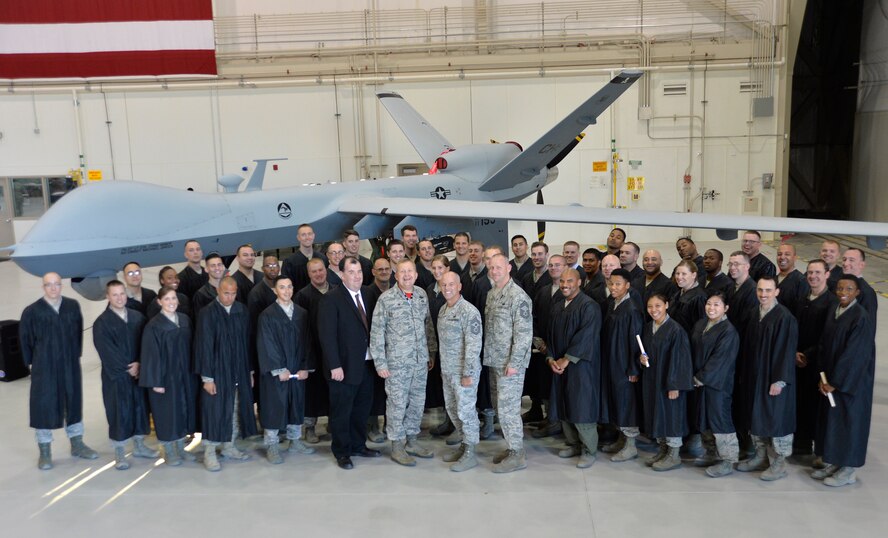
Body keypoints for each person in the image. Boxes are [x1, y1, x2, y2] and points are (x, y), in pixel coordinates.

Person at [21, 272, 97, 470]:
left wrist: (74, 356)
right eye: (49, 285)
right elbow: (25, 340)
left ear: (61, 285)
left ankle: (77, 444)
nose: (53, 288)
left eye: (56, 284)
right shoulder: (32, 311)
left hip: (69, 364)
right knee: (43, 406)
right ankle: (45, 451)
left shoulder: (72, 306)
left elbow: (78, 334)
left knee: (73, 402)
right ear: (43, 287)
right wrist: (33, 364)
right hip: (43, 367)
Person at [370, 259, 438, 466]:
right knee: (397, 404)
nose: (407, 275)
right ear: (395, 275)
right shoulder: (386, 299)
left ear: (416, 275)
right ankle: (397, 445)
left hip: (420, 361)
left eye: (410, 271)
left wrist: (431, 352)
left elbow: (428, 326)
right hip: (396, 364)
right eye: (402, 272)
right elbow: (377, 332)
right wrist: (380, 363)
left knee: (417, 402)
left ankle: (412, 441)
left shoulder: (421, 295)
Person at [318, 257, 381, 469]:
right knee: (341, 412)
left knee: (361, 409)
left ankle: (358, 445)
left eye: (359, 272)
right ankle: (342, 452)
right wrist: (334, 365)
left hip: (366, 363)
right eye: (351, 272)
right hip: (342, 368)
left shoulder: (369, 293)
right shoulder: (331, 299)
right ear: (342, 275)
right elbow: (327, 336)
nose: (356, 276)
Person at [813, 275, 876, 487]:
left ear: (857, 292)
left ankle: (848, 470)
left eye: (849, 289)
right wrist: (822, 376)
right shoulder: (836, 310)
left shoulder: (860, 317)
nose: (843, 292)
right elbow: (824, 343)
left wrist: (837, 382)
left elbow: (855, 355)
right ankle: (835, 462)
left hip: (851, 384)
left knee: (850, 423)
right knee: (833, 423)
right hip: (830, 378)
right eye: (840, 288)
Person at [736, 276, 798, 481]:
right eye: (760, 290)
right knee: (757, 417)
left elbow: (785, 352)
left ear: (776, 292)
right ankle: (760, 456)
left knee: (776, 419)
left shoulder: (784, 318)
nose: (763, 294)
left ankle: (779, 462)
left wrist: (778, 380)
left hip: (773, 381)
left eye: (768, 291)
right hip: (755, 377)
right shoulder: (755, 313)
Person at [194, 277, 257, 471]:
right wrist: (207, 378)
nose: (229, 297)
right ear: (218, 291)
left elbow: (248, 344)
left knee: (235, 409)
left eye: (233, 293)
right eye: (225, 293)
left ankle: (229, 446)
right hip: (217, 372)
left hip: (239, 370)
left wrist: (250, 371)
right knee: (214, 411)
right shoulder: (207, 313)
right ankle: (210, 452)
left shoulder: (242, 311)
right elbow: (203, 346)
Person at [93, 281, 156, 470]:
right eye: (115, 295)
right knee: (119, 413)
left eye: (122, 294)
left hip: (137, 374)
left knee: (139, 409)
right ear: (108, 296)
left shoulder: (138, 317)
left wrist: (139, 363)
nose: (119, 298)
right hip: (116, 377)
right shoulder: (102, 323)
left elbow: (146, 344)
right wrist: (126, 368)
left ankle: (138, 446)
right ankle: (119, 453)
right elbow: (106, 351)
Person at [256, 276, 316, 464]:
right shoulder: (267, 315)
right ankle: (272, 445)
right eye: (282, 287)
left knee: (296, 404)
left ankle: (295, 440)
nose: (287, 291)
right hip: (278, 373)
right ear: (275, 290)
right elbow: (267, 344)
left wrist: (306, 367)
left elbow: (308, 342)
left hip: (297, 368)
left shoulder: (302, 313)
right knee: (275, 407)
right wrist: (278, 368)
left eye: (290, 287)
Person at [548, 268, 602, 469]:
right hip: (559, 366)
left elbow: (587, 336)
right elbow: (551, 334)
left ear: (579, 282)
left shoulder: (589, 306)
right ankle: (573, 443)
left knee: (581, 406)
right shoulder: (557, 306)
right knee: (564, 403)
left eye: (570, 280)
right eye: (562, 281)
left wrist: (567, 359)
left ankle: (589, 450)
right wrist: (551, 358)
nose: (565, 284)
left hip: (581, 368)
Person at [484, 254, 533, 473]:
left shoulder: (518, 296)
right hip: (495, 360)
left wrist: (514, 363)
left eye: (498, 267)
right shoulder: (492, 294)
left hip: (510, 364)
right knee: (499, 408)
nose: (494, 271)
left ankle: (518, 453)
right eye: (491, 267)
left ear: (509, 267)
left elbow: (524, 334)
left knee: (509, 410)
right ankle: (512, 447)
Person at [140, 287, 198, 466]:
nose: (171, 302)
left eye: (173, 298)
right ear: (159, 302)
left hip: (184, 375)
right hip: (165, 378)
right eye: (167, 299)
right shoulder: (154, 326)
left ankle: (181, 448)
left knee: (183, 410)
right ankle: (169, 451)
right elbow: (150, 355)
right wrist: (155, 381)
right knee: (167, 414)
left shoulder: (184, 320)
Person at [639, 293, 693, 472]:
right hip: (652, 381)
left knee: (671, 417)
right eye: (650, 307)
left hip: (669, 383)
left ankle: (674, 455)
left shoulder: (676, 330)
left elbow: (680, 360)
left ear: (667, 305)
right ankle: (663, 450)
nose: (653, 310)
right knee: (658, 416)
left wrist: (674, 385)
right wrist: (641, 358)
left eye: (658, 306)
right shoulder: (648, 328)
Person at [690, 291, 741, 477]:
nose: (711, 308)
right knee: (703, 418)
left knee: (720, 421)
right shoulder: (701, 324)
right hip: (699, 383)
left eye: (717, 305)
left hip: (717, 385)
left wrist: (700, 378)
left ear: (726, 308)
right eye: (709, 304)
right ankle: (711, 452)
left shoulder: (728, 331)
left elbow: (720, 360)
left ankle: (727, 460)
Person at [436, 271, 483, 472]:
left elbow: (473, 346)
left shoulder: (469, 312)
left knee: (466, 412)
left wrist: (467, 374)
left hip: (464, 373)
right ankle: (464, 445)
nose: (447, 288)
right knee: (453, 411)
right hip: (448, 371)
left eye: (451, 284)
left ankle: (471, 452)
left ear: (459, 286)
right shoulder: (443, 310)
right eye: (443, 285)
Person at [794, 260, 838, 457]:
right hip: (797, 361)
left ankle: (819, 451)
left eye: (818, 272)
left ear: (827, 274)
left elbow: (828, 336)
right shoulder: (803, 299)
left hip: (818, 364)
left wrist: (807, 355)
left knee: (816, 408)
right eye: (810, 272)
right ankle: (800, 444)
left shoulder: (832, 302)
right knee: (800, 403)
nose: (813, 276)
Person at [599, 268, 643, 463]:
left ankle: (631, 445)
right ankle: (621, 438)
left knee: (627, 403)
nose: (613, 287)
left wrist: (634, 368)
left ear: (627, 285)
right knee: (616, 401)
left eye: (618, 284)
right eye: (611, 283)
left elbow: (636, 341)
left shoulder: (631, 309)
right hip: (612, 362)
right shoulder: (612, 303)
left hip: (625, 365)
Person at [528, 254, 567, 438]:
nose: (553, 268)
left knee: (558, 387)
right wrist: (538, 341)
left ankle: (558, 421)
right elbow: (533, 317)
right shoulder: (543, 291)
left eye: (557, 265)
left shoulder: (570, 292)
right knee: (544, 385)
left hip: (561, 350)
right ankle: (549, 417)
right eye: (550, 265)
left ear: (565, 267)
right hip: (542, 349)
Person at [295, 258, 333, 445]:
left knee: (334, 389)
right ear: (309, 274)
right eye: (314, 271)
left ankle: (333, 424)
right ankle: (309, 427)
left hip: (332, 351)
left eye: (321, 270)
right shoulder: (302, 296)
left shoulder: (336, 290)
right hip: (312, 352)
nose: (318, 274)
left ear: (326, 270)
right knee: (312, 393)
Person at [362, 257, 393, 443]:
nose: (383, 272)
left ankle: (390, 424)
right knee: (373, 390)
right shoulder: (366, 293)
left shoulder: (396, 291)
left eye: (386, 269)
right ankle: (372, 426)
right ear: (373, 271)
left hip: (395, 350)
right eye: (379, 269)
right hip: (373, 350)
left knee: (391, 391)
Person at [426, 255, 451, 437]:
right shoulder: (429, 289)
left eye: (440, 268)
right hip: (436, 344)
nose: (437, 271)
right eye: (434, 268)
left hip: (451, 346)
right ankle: (447, 421)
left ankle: (454, 423)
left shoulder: (451, 289)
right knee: (443, 386)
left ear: (447, 269)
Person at [282, 224, 327, 291]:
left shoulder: (322, 258)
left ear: (313, 235)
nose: (307, 237)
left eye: (309, 234)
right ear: (298, 237)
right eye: (303, 235)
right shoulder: (289, 262)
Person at [668, 260, 706, 336]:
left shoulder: (699, 297)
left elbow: (700, 327)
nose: (679, 277)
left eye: (684, 274)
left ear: (693, 275)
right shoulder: (677, 294)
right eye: (677, 273)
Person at [634, 249, 675, 320]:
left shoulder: (669, 285)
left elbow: (670, 312)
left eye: (654, 259)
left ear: (661, 262)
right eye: (646, 260)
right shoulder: (635, 283)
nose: (649, 262)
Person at [841, 248, 878, 324]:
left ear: (862, 265)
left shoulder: (867, 292)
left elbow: (868, 326)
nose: (845, 263)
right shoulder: (839, 285)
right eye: (844, 259)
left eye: (851, 260)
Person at [776, 243, 809, 316]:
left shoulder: (801, 281)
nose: (782, 257)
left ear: (795, 258)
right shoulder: (773, 280)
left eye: (787, 254)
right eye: (779, 254)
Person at [192, 252, 227, 318]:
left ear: (223, 267)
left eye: (219, 265)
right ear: (206, 269)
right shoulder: (200, 295)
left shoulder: (231, 290)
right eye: (213, 266)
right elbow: (201, 322)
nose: (217, 268)